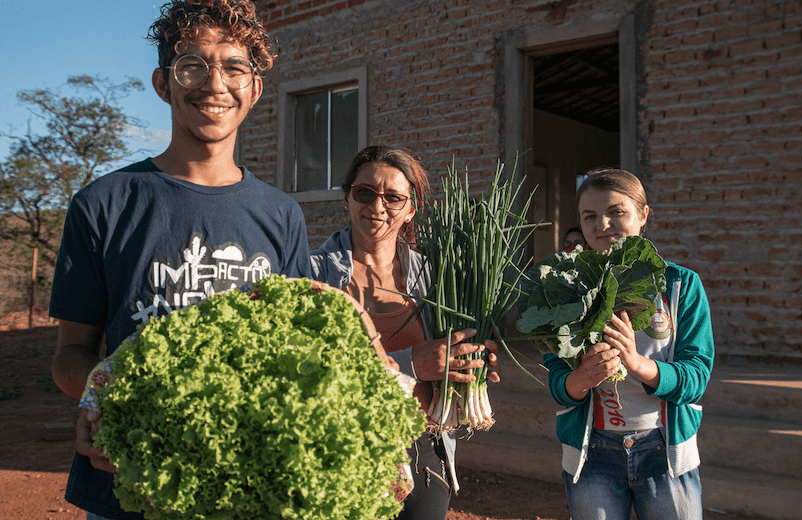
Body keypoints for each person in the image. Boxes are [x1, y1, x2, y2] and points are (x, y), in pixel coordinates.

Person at [49, 1, 311, 519]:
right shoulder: (103, 203)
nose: (214, 84)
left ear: (255, 90)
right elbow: (69, 357)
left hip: (248, 487)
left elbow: (303, 356)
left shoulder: (282, 215)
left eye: (235, 67)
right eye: (193, 65)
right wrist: (99, 393)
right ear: (163, 83)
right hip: (130, 480)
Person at [309, 145, 500, 520]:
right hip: (344, 441)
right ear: (347, 198)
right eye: (365, 193)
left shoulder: (436, 277)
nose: (377, 207)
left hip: (424, 446)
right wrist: (410, 363)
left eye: (394, 197)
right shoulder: (314, 274)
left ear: (411, 209)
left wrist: (471, 361)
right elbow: (312, 369)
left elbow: (452, 350)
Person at [543, 168, 714, 520]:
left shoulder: (681, 286)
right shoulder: (564, 290)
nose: (602, 224)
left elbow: (696, 376)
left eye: (616, 212)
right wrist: (581, 379)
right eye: (589, 216)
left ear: (643, 215)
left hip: (664, 453)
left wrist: (638, 365)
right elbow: (558, 383)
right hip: (593, 455)